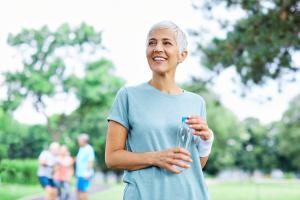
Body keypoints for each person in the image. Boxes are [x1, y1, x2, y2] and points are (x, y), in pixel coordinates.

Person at [105, 21, 214, 200]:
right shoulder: (128, 96)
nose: (157, 48)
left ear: (182, 55)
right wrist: (156, 158)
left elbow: (193, 166)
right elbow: (112, 158)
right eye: (152, 42)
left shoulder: (197, 102)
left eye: (167, 43)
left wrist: (207, 141)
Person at [76, 133, 95, 200]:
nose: (78, 141)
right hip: (80, 174)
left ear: (84, 140)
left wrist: (87, 172)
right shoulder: (81, 148)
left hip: (85, 175)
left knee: (83, 192)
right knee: (78, 191)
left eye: (79, 140)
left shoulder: (88, 148)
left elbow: (91, 161)